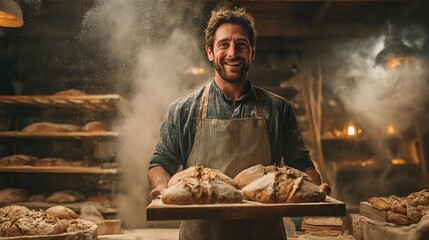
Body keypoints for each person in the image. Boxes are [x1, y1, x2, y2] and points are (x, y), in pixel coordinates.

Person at [148, 7, 330, 240]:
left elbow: (302, 165)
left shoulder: (277, 108)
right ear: (210, 52)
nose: (233, 52)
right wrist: (162, 188)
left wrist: (314, 187)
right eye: (224, 44)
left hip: (263, 234)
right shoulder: (183, 110)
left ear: (252, 52)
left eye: (241, 44)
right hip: (201, 235)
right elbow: (161, 162)